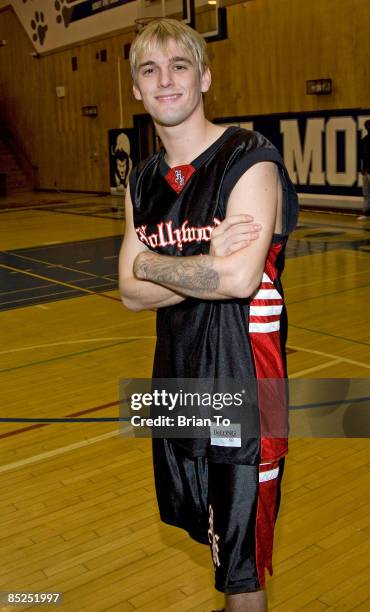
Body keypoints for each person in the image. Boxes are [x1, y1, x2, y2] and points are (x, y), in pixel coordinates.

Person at [119, 18, 298, 612]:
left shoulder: (250, 158)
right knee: (216, 548)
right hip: (175, 380)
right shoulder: (142, 179)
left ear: (205, 77)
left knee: (243, 575)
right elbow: (126, 290)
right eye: (150, 70)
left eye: (179, 66)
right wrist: (200, 262)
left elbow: (240, 279)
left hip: (245, 382)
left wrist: (153, 264)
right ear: (137, 91)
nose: (165, 80)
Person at [358, 119, 370, 220]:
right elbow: (361, 156)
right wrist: (361, 168)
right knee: (366, 193)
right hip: (366, 171)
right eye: (367, 126)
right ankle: (366, 212)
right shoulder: (364, 140)